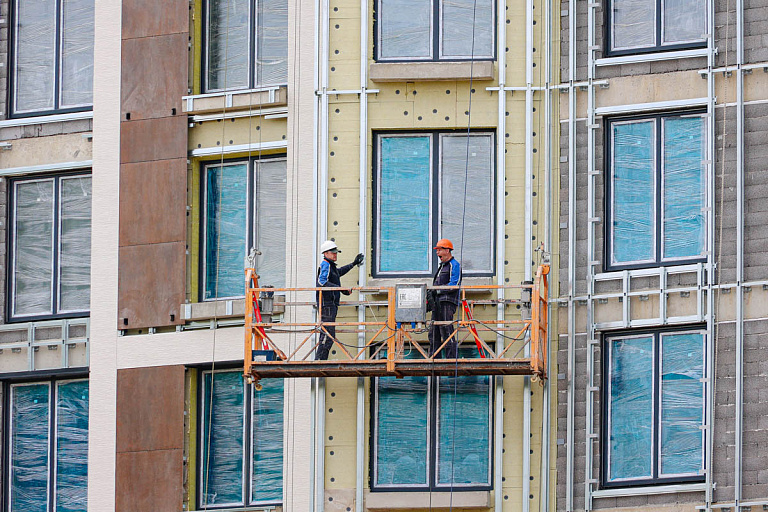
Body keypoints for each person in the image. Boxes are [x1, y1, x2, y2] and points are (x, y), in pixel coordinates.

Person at [315, 240, 364, 360]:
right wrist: (341, 289)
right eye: (333, 252)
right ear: (325, 253)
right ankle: (319, 361)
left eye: (336, 252)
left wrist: (353, 264)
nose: (335, 254)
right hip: (327, 304)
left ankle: (320, 360)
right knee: (327, 334)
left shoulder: (331, 266)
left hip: (330, 304)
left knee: (328, 334)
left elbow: (339, 272)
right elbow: (322, 281)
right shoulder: (325, 264)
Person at [427, 239, 462, 358]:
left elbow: (454, 284)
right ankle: (434, 357)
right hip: (437, 302)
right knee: (434, 330)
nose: (437, 253)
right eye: (437, 250)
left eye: (439, 250)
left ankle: (451, 358)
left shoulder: (454, 265)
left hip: (447, 301)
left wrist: (438, 290)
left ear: (447, 250)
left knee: (446, 328)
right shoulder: (442, 266)